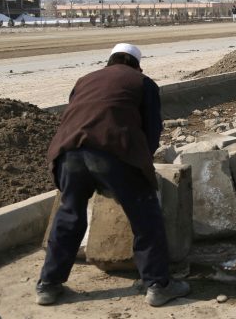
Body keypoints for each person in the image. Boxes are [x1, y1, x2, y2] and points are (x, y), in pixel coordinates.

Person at [36, 43, 190, 307]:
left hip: (68, 152)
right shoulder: (143, 83)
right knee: (145, 218)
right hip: (112, 151)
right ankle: (157, 285)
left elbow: (75, 115)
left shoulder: (84, 80)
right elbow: (151, 130)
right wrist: (140, 166)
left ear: (109, 61)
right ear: (136, 64)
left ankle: (48, 285)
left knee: (69, 216)